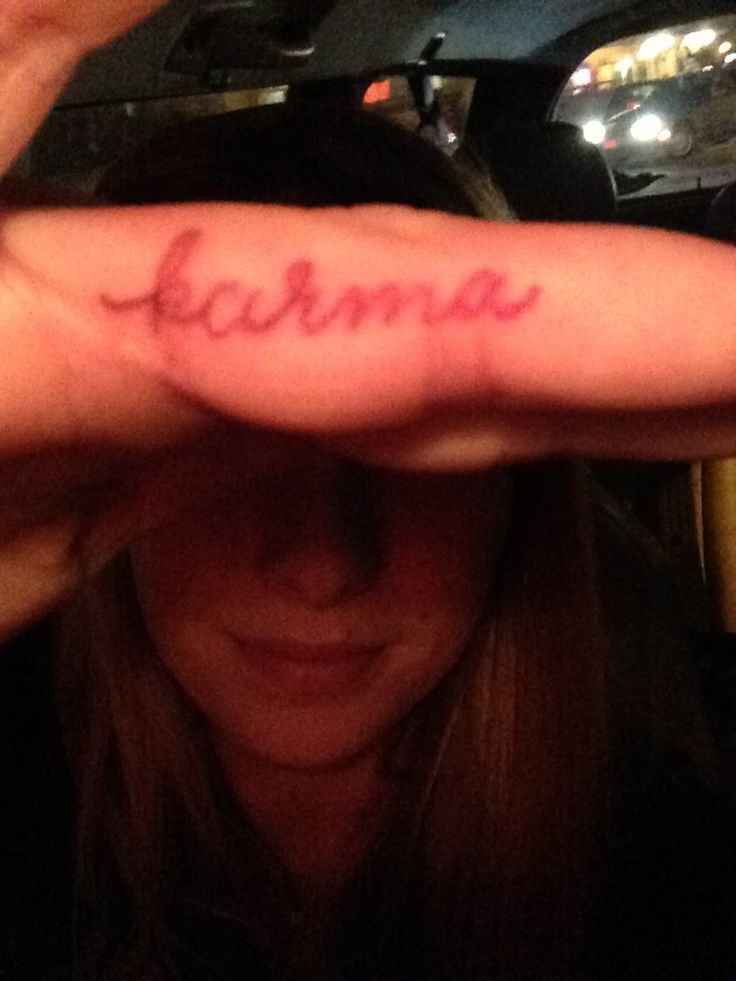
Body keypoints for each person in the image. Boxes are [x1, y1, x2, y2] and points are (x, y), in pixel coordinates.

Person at [0, 3, 735, 980]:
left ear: (514, 487)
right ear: (97, 465)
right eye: (223, 442)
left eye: (404, 454)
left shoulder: (677, 865)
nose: (319, 565)